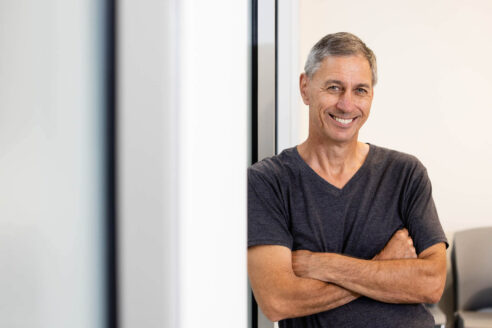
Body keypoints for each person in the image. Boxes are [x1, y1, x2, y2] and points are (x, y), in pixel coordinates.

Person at [248, 32, 448, 328]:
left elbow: (431, 283)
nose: (346, 104)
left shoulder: (406, 173)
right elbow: (278, 301)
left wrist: (321, 264)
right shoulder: (268, 182)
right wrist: (382, 267)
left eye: (360, 91)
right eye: (334, 87)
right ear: (305, 88)